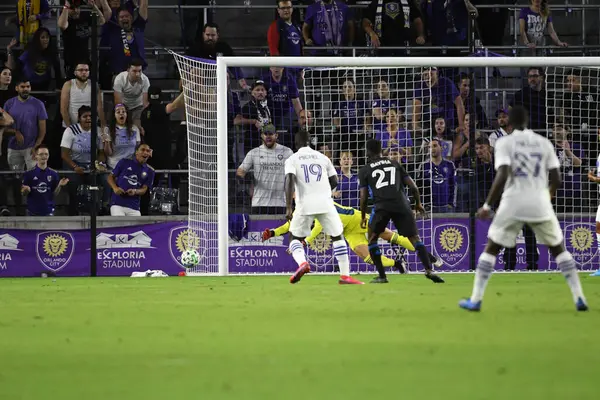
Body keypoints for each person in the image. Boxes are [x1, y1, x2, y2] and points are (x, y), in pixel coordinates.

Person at [459, 106, 588, 312]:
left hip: (513, 200)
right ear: (527, 121)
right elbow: (556, 179)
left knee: (491, 248)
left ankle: (476, 299)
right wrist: (547, 197)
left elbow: (502, 175)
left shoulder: (504, 142)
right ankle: (579, 297)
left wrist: (486, 205)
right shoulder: (544, 143)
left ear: (510, 122)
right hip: (539, 201)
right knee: (558, 249)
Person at [263, 201, 443, 272]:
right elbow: (290, 224)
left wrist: (304, 242)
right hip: (349, 231)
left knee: (389, 236)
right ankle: (397, 263)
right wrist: (272, 233)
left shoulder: (316, 200)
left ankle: (429, 257)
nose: (294, 196)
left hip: (358, 219)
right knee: (367, 257)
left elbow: (319, 226)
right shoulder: (302, 207)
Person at [283, 129, 363, 285]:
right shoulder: (323, 158)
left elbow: (289, 180)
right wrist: (322, 190)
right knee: (337, 236)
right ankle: (345, 275)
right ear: (311, 142)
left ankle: (302, 263)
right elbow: (334, 181)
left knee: (294, 237)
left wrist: (288, 207)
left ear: (296, 143)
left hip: (305, 203)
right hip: (326, 203)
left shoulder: (292, 159)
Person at [359, 139, 444, 284]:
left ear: (367, 152)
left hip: (381, 206)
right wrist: (418, 204)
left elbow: (364, 197)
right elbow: (414, 187)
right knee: (415, 238)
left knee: (372, 238)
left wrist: (362, 216)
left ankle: (382, 276)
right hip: (402, 205)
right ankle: (429, 270)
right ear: (381, 151)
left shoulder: (365, 170)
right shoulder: (395, 164)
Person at [236, 124, 293, 215]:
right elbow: (240, 171)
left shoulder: (287, 152)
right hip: (259, 203)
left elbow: (294, 174)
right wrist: (245, 178)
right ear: (262, 135)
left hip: (280, 203)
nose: (268, 137)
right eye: (265, 134)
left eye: (270, 134)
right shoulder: (254, 153)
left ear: (276, 135)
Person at [107, 143, 154, 216]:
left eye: (148, 151)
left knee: (136, 227)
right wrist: (115, 188)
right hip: (117, 204)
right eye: (142, 150)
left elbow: (144, 189)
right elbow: (110, 177)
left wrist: (135, 191)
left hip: (134, 207)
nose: (145, 152)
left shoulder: (150, 171)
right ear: (136, 152)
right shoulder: (124, 162)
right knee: (120, 226)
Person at [21, 144, 68, 216]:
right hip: (32, 213)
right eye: (41, 154)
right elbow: (23, 193)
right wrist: (26, 190)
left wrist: (59, 185)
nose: (44, 156)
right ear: (36, 156)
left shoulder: (54, 174)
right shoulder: (29, 174)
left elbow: (54, 193)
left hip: (49, 212)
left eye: (46, 154)